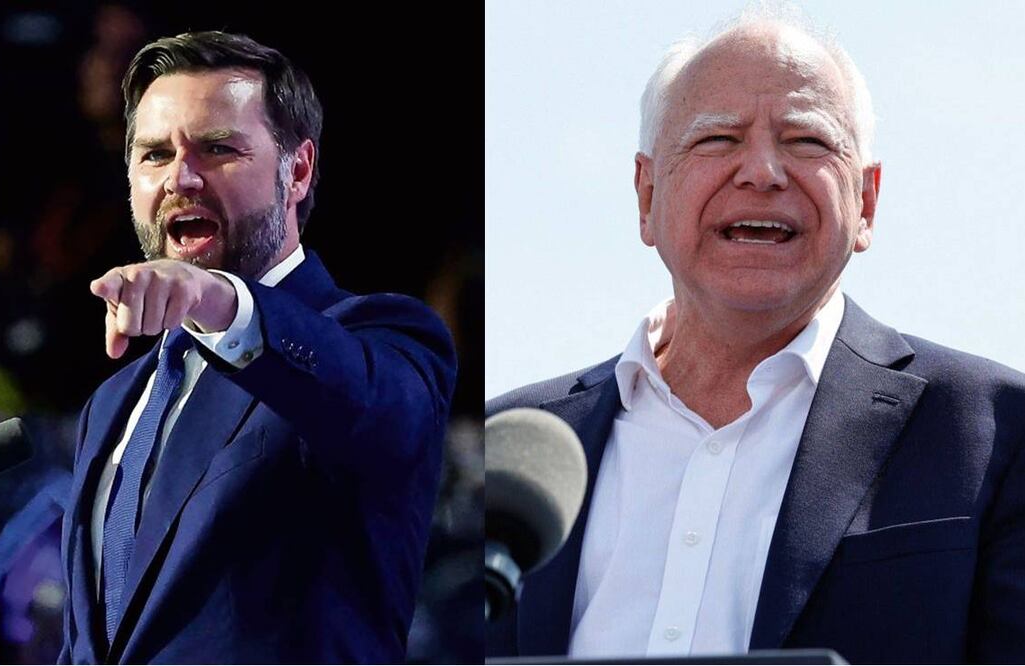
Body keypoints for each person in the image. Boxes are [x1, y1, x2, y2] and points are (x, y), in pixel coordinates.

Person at [486, 12, 1025, 664]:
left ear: (866, 203)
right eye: (716, 139)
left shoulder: (995, 431)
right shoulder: (513, 446)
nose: (762, 171)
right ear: (646, 195)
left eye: (805, 141)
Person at [58, 31, 457, 663]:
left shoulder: (381, 339)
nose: (180, 179)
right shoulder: (112, 404)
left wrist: (219, 299)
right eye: (154, 155)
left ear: (297, 170)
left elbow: (376, 408)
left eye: (217, 149)